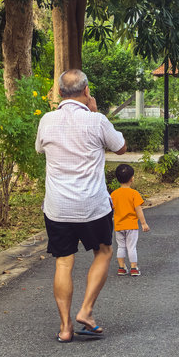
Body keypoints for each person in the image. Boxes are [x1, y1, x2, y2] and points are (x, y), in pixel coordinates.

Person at [35, 69, 126, 343]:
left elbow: (40, 149)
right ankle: (86, 311)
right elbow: (120, 148)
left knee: (63, 262)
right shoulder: (96, 120)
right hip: (92, 206)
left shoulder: (47, 121)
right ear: (86, 92)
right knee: (104, 251)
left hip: (58, 206)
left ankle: (65, 328)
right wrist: (96, 112)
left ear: (59, 93)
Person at [111, 164, 150, 277]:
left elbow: (110, 209)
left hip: (118, 225)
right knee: (131, 247)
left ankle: (121, 267)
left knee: (121, 246)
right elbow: (138, 210)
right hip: (131, 225)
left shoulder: (114, 194)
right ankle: (133, 268)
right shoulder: (134, 194)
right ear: (132, 178)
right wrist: (143, 223)